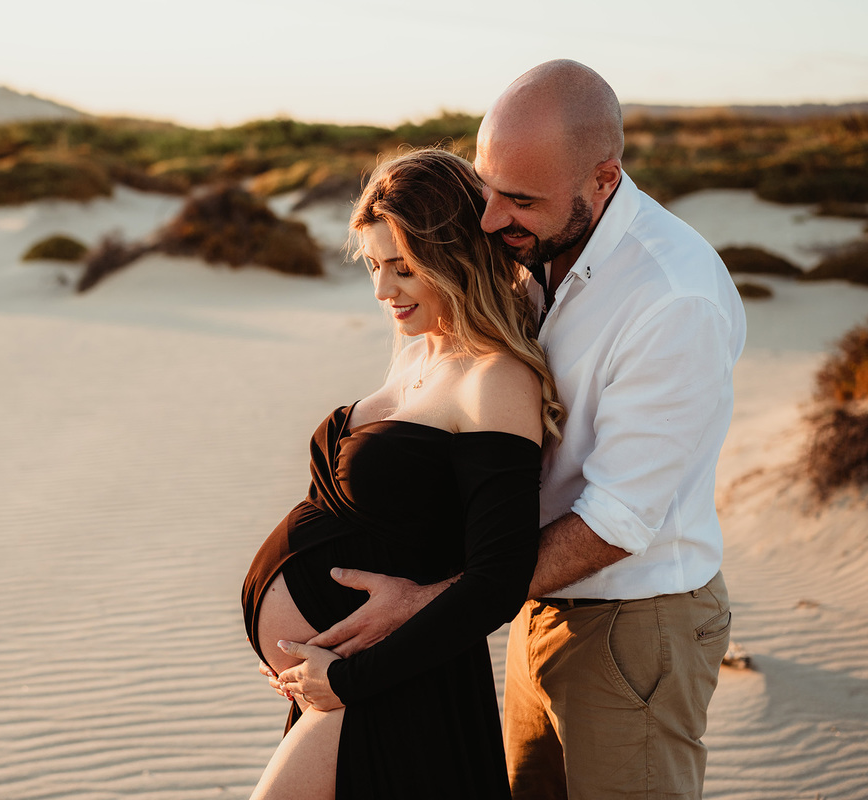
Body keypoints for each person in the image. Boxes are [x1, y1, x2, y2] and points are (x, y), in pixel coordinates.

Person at [276, 60, 747, 800]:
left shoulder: (672, 298)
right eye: (488, 189)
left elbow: (617, 521)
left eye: (520, 201)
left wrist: (436, 601)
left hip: (629, 622)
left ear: (603, 181)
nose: (493, 220)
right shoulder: (530, 248)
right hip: (529, 606)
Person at [241, 147, 564, 799]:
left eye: (403, 268)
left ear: (455, 259)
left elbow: (498, 580)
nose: (384, 291)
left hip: (387, 685)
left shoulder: (497, 379)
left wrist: (347, 682)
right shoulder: (420, 352)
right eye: (375, 267)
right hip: (343, 682)